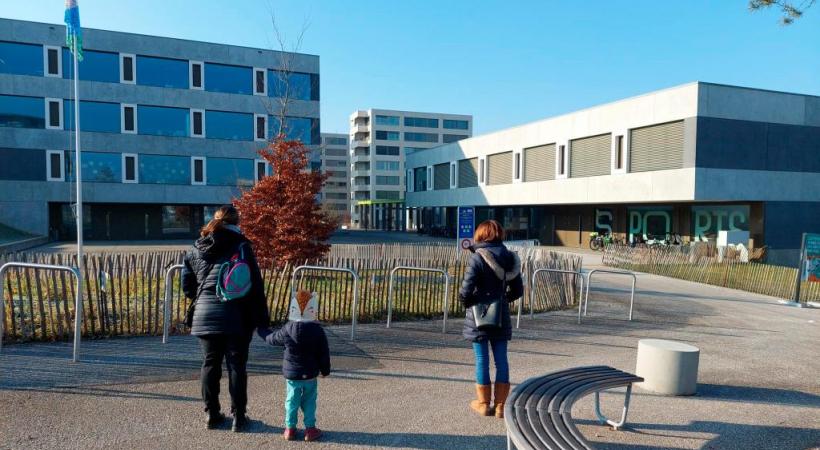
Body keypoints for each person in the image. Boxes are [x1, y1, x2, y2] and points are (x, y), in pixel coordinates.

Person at [182, 205, 270, 432]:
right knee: (236, 366)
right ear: (237, 222)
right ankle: (239, 418)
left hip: (204, 315)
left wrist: (204, 300)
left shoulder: (195, 247)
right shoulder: (241, 246)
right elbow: (255, 287)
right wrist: (262, 321)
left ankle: (212, 415)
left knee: (210, 364)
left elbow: (187, 286)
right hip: (237, 316)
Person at [458, 220, 524, 419]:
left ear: (481, 235)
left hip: (479, 317)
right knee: (502, 360)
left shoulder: (478, 258)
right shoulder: (511, 258)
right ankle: (501, 406)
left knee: (482, 360)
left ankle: (484, 404)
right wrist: (502, 301)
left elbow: (464, 291)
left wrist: (472, 303)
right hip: (501, 315)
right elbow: (518, 290)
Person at [260, 290, 331, 442]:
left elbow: (272, 339)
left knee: (291, 400)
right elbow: (323, 353)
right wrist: (325, 370)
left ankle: (290, 429)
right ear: (312, 309)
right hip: (310, 374)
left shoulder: (287, 329)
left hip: (292, 376)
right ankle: (310, 429)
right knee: (310, 400)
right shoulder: (317, 331)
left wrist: (261, 330)